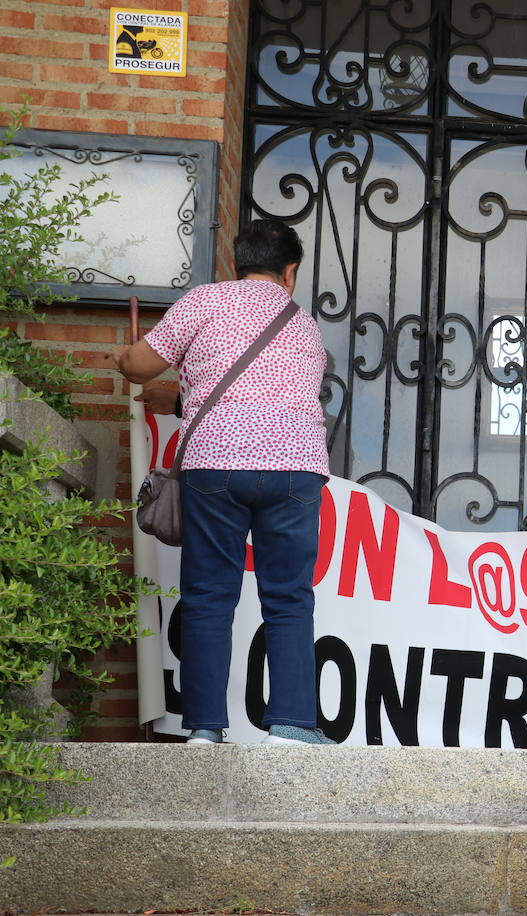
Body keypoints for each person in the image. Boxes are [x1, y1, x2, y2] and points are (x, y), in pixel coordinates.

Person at [112, 218, 333, 746]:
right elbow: (272, 393)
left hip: (218, 462)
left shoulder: (205, 301)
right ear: (290, 271)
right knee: (289, 598)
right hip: (295, 466)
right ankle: (291, 725)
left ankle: (205, 728)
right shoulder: (304, 325)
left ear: (238, 263)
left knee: (209, 594)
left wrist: (124, 355)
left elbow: (140, 366)